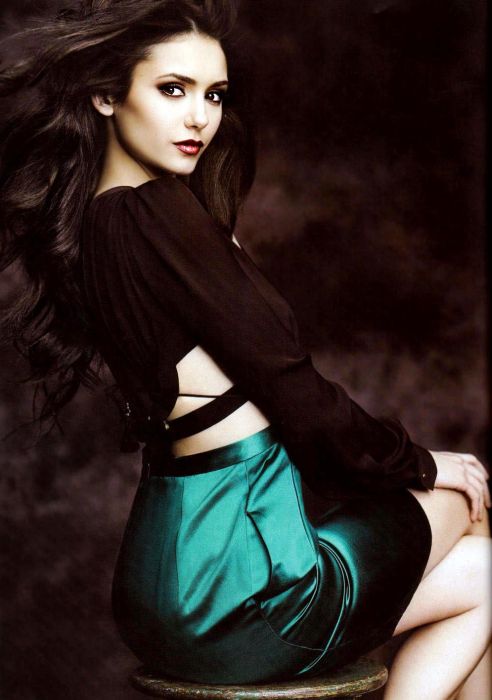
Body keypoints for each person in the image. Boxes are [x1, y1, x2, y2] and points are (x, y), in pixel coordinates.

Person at [0, 1, 490, 697]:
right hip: (243, 592)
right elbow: (297, 397)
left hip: (163, 591)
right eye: (173, 89)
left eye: (214, 95)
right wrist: (422, 461)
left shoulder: (95, 223)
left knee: (481, 576)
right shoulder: (155, 212)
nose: (200, 117)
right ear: (106, 96)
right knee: (470, 498)